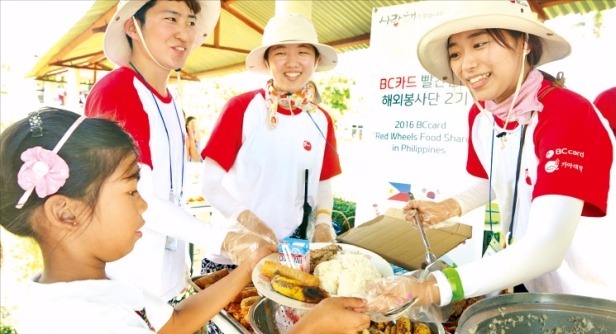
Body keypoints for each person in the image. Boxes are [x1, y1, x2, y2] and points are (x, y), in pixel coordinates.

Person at [0, 108, 371, 334]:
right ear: (65, 211)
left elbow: (173, 323)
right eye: (131, 191)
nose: (144, 205)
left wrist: (247, 270)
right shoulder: (86, 322)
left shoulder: (96, 286)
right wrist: (312, 328)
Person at [366, 0, 616, 316]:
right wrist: (449, 207)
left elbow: (547, 246)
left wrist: (434, 288)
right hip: (534, 287)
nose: (466, 64)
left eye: (480, 44)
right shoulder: (482, 115)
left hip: (595, 300)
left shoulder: (568, 115)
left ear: (524, 43)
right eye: (455, 53)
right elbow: (487, 178)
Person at [84, 0, 276, 305]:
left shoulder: (172, 102)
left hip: (166, 288)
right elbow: (135, 197)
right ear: (133, 26)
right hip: (126, 289)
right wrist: (224, 239)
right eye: (170, 19)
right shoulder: (117, 90)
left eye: (189, 22)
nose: (184, 34)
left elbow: (170, 193)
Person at [199, 13, 341, 271]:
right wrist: (252, 223)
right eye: (280, 53)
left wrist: (323, 224)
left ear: (316, 60)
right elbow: (209, 185)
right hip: (234, 254)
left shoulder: (321, 119)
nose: (292, 62)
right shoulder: (240, 109)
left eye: (303, 52)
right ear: (266, 61)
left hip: (288, 254)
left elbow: (323, 183)